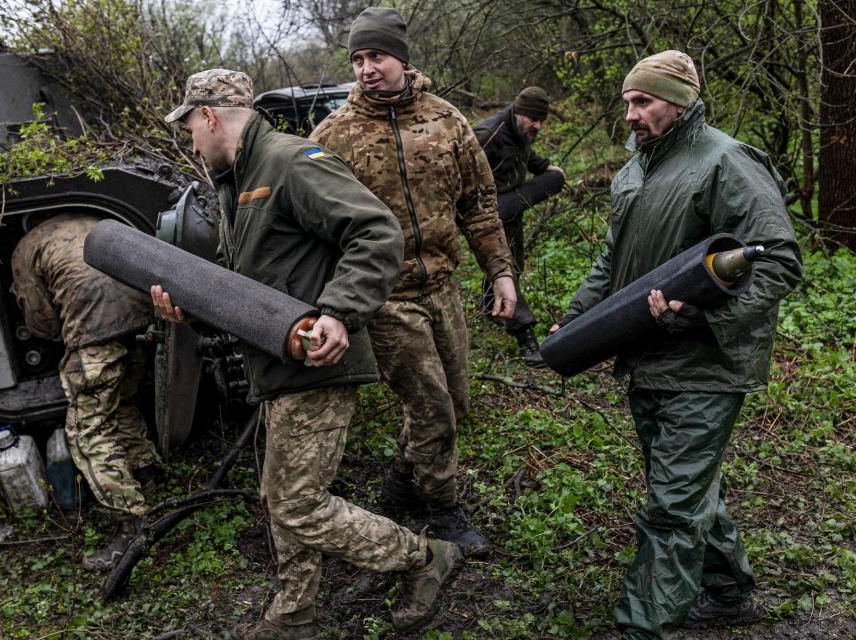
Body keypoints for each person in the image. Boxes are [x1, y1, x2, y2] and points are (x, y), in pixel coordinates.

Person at [152, 68, 464, 639]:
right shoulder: (236, 184)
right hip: (276, 366)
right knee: (280, 496)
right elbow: (243, 287)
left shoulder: (290, 162)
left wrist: (339, 312)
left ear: (210, 116)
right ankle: (295, 614)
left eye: (190, 128)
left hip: (317, 363)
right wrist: (189, 309)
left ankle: (424, 557)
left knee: (296, 503)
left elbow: (376, 231)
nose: (191, 142)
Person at [550, 51, 802, 639]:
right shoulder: (635, 169)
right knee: (685, 483)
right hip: (648, 355)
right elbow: (614, 261)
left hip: (707, 363)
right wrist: (579, 318)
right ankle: (730, 592)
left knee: (672, 507)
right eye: (627, 103)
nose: (631, 115)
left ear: (680, 101)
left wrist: (707, 319)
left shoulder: (727, 160)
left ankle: (643, 627)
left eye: (643, 101)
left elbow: (780, 259)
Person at [310, 7, 516, 558]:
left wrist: (500, 271)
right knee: (431, 406)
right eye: (357, 59)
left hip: (443, 286)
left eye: (375, 56)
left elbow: (480, 204)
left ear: (402, 57)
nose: (366, 69)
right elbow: (311, 222)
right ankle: (443, 510)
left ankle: (402, 481)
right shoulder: (333, 135)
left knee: (458, 400)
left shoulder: (448, 121)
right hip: (385, 298)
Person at [10, 212, 161, 570]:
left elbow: (41, 318)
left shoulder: (26, 248)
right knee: (121, 399)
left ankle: (132, 522)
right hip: (146, 315)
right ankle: (146, 473)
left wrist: (60, 333)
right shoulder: (91, 217)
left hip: (94, 327)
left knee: (87, 428)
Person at [474, 86, 565, 364]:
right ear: (517, 111)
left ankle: (488, 305)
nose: (537, 125)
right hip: (487, 214)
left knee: (515, 263)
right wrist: (480, 209)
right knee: (508, 269)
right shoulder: (488, 134)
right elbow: (456, 172)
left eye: (541, 120)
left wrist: (547, 169)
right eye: (532, 119)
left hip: (511, 208)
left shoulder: (521, 131)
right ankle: (525, 334)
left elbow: (524, 157)